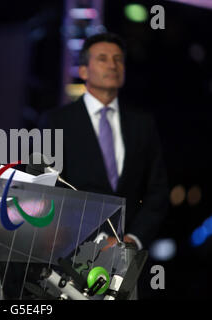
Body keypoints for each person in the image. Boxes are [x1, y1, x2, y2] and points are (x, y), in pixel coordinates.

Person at [41, 33, 169, 251]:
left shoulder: (142, 124)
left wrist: (132, 239)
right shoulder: (56, 122)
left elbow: (157, 191)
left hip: (129, 256)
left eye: (118, 59)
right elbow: (46, 189)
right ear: (83, 70)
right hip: (71, 254)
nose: (112, 65)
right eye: (102, 58)